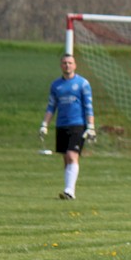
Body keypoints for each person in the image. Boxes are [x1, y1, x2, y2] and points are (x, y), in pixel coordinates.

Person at [39, 53, 95, 200]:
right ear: (61, 66)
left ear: (75, 65)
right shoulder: (56, 85)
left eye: (70, 63)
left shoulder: (83, 83)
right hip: (61, 125)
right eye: (64, 63)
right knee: (66, 159)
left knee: (72, 155)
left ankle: (69, 190)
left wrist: (91, 127)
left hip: (78, 124)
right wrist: (45, 124)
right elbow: (51, 106)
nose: (67, 65)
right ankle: (69, 191)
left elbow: (88, 106)